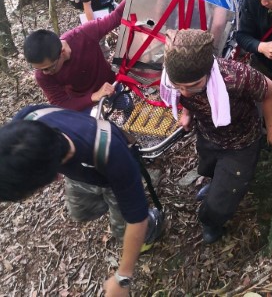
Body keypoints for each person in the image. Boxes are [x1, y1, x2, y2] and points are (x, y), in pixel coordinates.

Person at [160, 29, 272, 244]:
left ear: (209, 71)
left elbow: (271, 91)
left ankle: (211, 220)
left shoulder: (235, 77)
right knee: (209, 168)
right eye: (178, 86)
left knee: (223, 199)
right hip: (208, 134)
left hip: (241, 142)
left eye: (192, 86)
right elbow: (182, 94)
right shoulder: (173, 76)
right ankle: (215, 184)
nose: (185, 92)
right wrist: (186, 112)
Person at [0, 106, 163, 296]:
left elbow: (137, 220)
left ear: (53, 178)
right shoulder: (25, 124)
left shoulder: (113, 154)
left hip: (108, 173)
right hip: (80, 172)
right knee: (80, 212)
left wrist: (122, 278)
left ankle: (155, 223)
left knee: (127, 229)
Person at [23, 0, 127, 111]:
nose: (45, 73)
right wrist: (94, 97)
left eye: (49, 68)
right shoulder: (42, 75)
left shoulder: (84, 35)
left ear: (62, 51)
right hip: (80, 100)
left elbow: (116, 16)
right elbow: (61, 103)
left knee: (126, 107)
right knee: (86, 126)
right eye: (39, 69)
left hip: (109, 84)